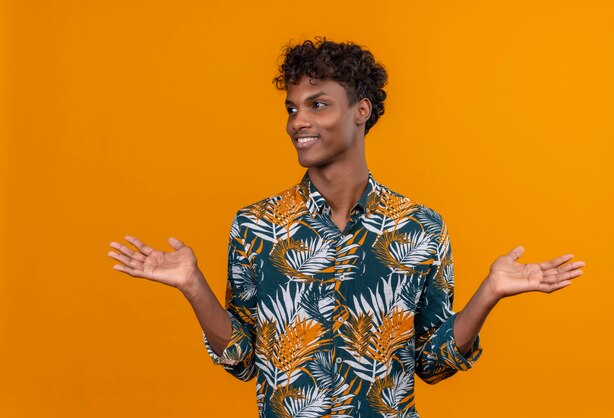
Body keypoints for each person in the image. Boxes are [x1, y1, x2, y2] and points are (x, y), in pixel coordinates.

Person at [107, 38, 585, 417]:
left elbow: (432, 365)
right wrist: (193, 285)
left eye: (318, 105)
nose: (298, 122)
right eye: (292, 108)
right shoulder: (257, 225)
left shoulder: (420, 228)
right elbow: (244, 361)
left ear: (362, 111)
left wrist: (489, 293)